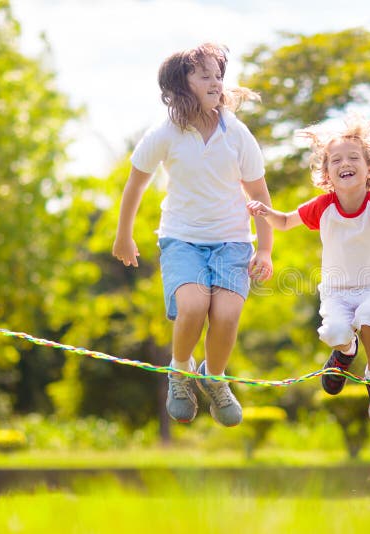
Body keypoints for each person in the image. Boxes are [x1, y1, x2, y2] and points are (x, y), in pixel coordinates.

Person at [112, 42, 273, 426]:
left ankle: (214, 379)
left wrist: (264, 249)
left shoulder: (236, 133)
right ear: (182, 84)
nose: (216, 82)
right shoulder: (165, 133)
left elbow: (260, 195)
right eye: (205, 76)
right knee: (194, 306)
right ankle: (180, 371)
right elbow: (135, 184)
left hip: (232, 241)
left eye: (219, 76)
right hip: (182, 239)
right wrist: (124, 235)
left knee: (228, 314)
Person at [247, 114, 370, 422]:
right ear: (327, 174)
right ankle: (346, 352)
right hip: (336, 292)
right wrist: (265, 212)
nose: (344, 163)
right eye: (336, 160)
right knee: (334, 332)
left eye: (353, 157)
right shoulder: (323, 206)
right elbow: (283, 222)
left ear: (369, 168)